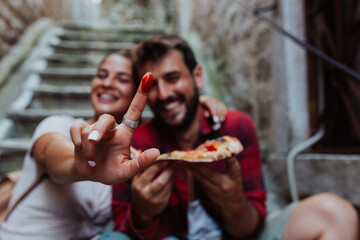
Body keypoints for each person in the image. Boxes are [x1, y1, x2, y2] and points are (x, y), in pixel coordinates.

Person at [110, 34, 358, 239]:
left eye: (173, 78)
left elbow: (251, 229)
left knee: (336, 213)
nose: (164, 94)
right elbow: (122, 226)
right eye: (152, 85)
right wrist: (143, 213)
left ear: (197, 76)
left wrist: (234, 201)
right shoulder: (134, 143)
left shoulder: (236, 126)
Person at [0, 49, 226, 240]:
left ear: (140, 91)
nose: (107, 83)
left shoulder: (139, 152)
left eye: (122, 79)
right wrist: (80, 164)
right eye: (102, 74)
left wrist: (198, 103)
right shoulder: (60, 125)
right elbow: (53, 157)